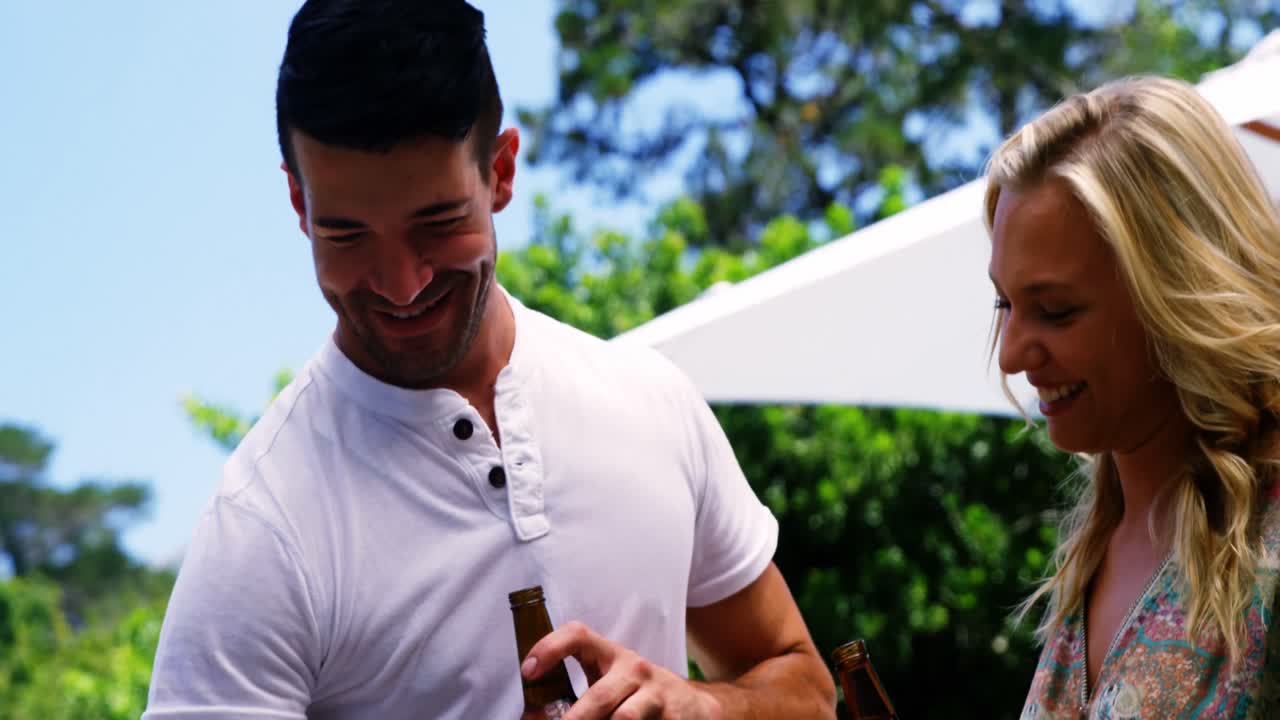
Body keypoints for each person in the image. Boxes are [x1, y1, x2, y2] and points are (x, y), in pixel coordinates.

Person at [142, 1, 836, 718]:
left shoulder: (653, 401)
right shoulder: (262, 531)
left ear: (500, 172)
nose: (401, 284)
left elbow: (807, 689)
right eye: (347, 236)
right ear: (299, 201)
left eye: (436, 224)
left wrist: (703, 709)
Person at [984, 75, 1280, 719]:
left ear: (1181, 294)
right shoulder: (1090, 557)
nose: (1009, 354)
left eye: (1055, 310)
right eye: (1005, 303)